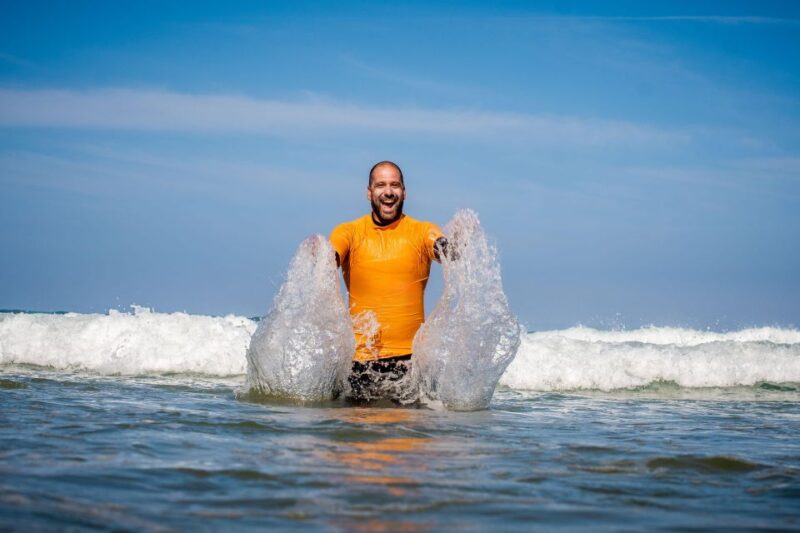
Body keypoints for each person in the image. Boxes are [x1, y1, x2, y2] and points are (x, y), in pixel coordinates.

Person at [329, 161, 451, 403]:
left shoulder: (421, 230)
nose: (388, 191)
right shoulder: (349, 232)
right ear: (369, 192)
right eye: (380, 185)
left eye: (395, 185)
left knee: (409, 440)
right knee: (356, 439)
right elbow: (330, 257)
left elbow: (441, 246)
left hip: (410, 366)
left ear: (404, 192)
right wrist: (318, 257)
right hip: (358, 367)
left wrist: (456, 247)